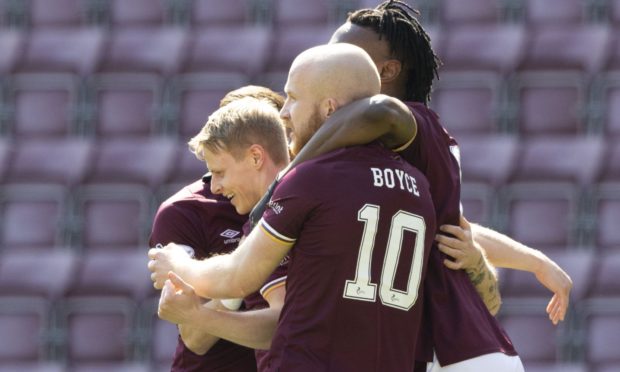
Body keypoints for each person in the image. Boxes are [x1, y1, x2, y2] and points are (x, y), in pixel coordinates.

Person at [256, 1, 570, 370]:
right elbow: (450, 231)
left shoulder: (407, 123)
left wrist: (286, 178)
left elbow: (380, 112)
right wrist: (534, 261)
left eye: (347, 53)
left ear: (388, 71)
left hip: (449, 349)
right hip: (463, 345)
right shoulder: (414, 143)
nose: (331, 62)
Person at [150, 43, 436, 371]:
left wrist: (178, 266)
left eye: (294, 98)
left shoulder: (310, 178)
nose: (284, 112)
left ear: (329, 109)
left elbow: (238, 277)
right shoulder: (417, 185)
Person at [149, 86, 287, 371]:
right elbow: (194, 337)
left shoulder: (301, 199)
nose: (217, 184)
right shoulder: (185, 211)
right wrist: (239, 277)